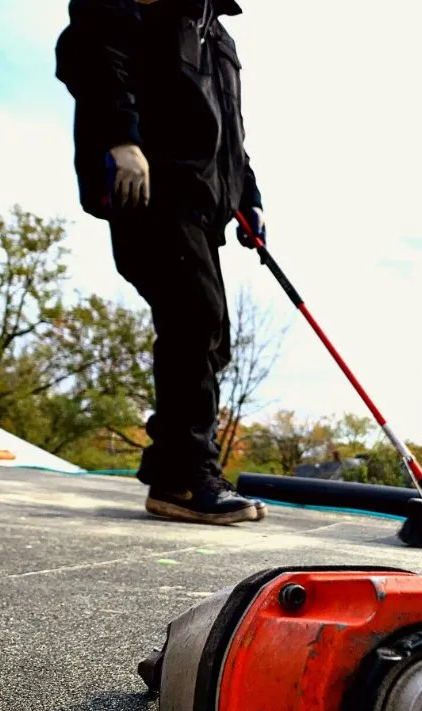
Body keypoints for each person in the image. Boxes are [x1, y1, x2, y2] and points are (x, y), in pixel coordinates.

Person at [55, 0, 268, 525]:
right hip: (152, 189)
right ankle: (181, 478)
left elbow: (228, 135)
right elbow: (89, 48)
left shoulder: (218, 36)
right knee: (193, 317)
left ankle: (184, 469)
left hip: (203, 202)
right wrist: (121, 137)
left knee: (212, 333)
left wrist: (249, 195)